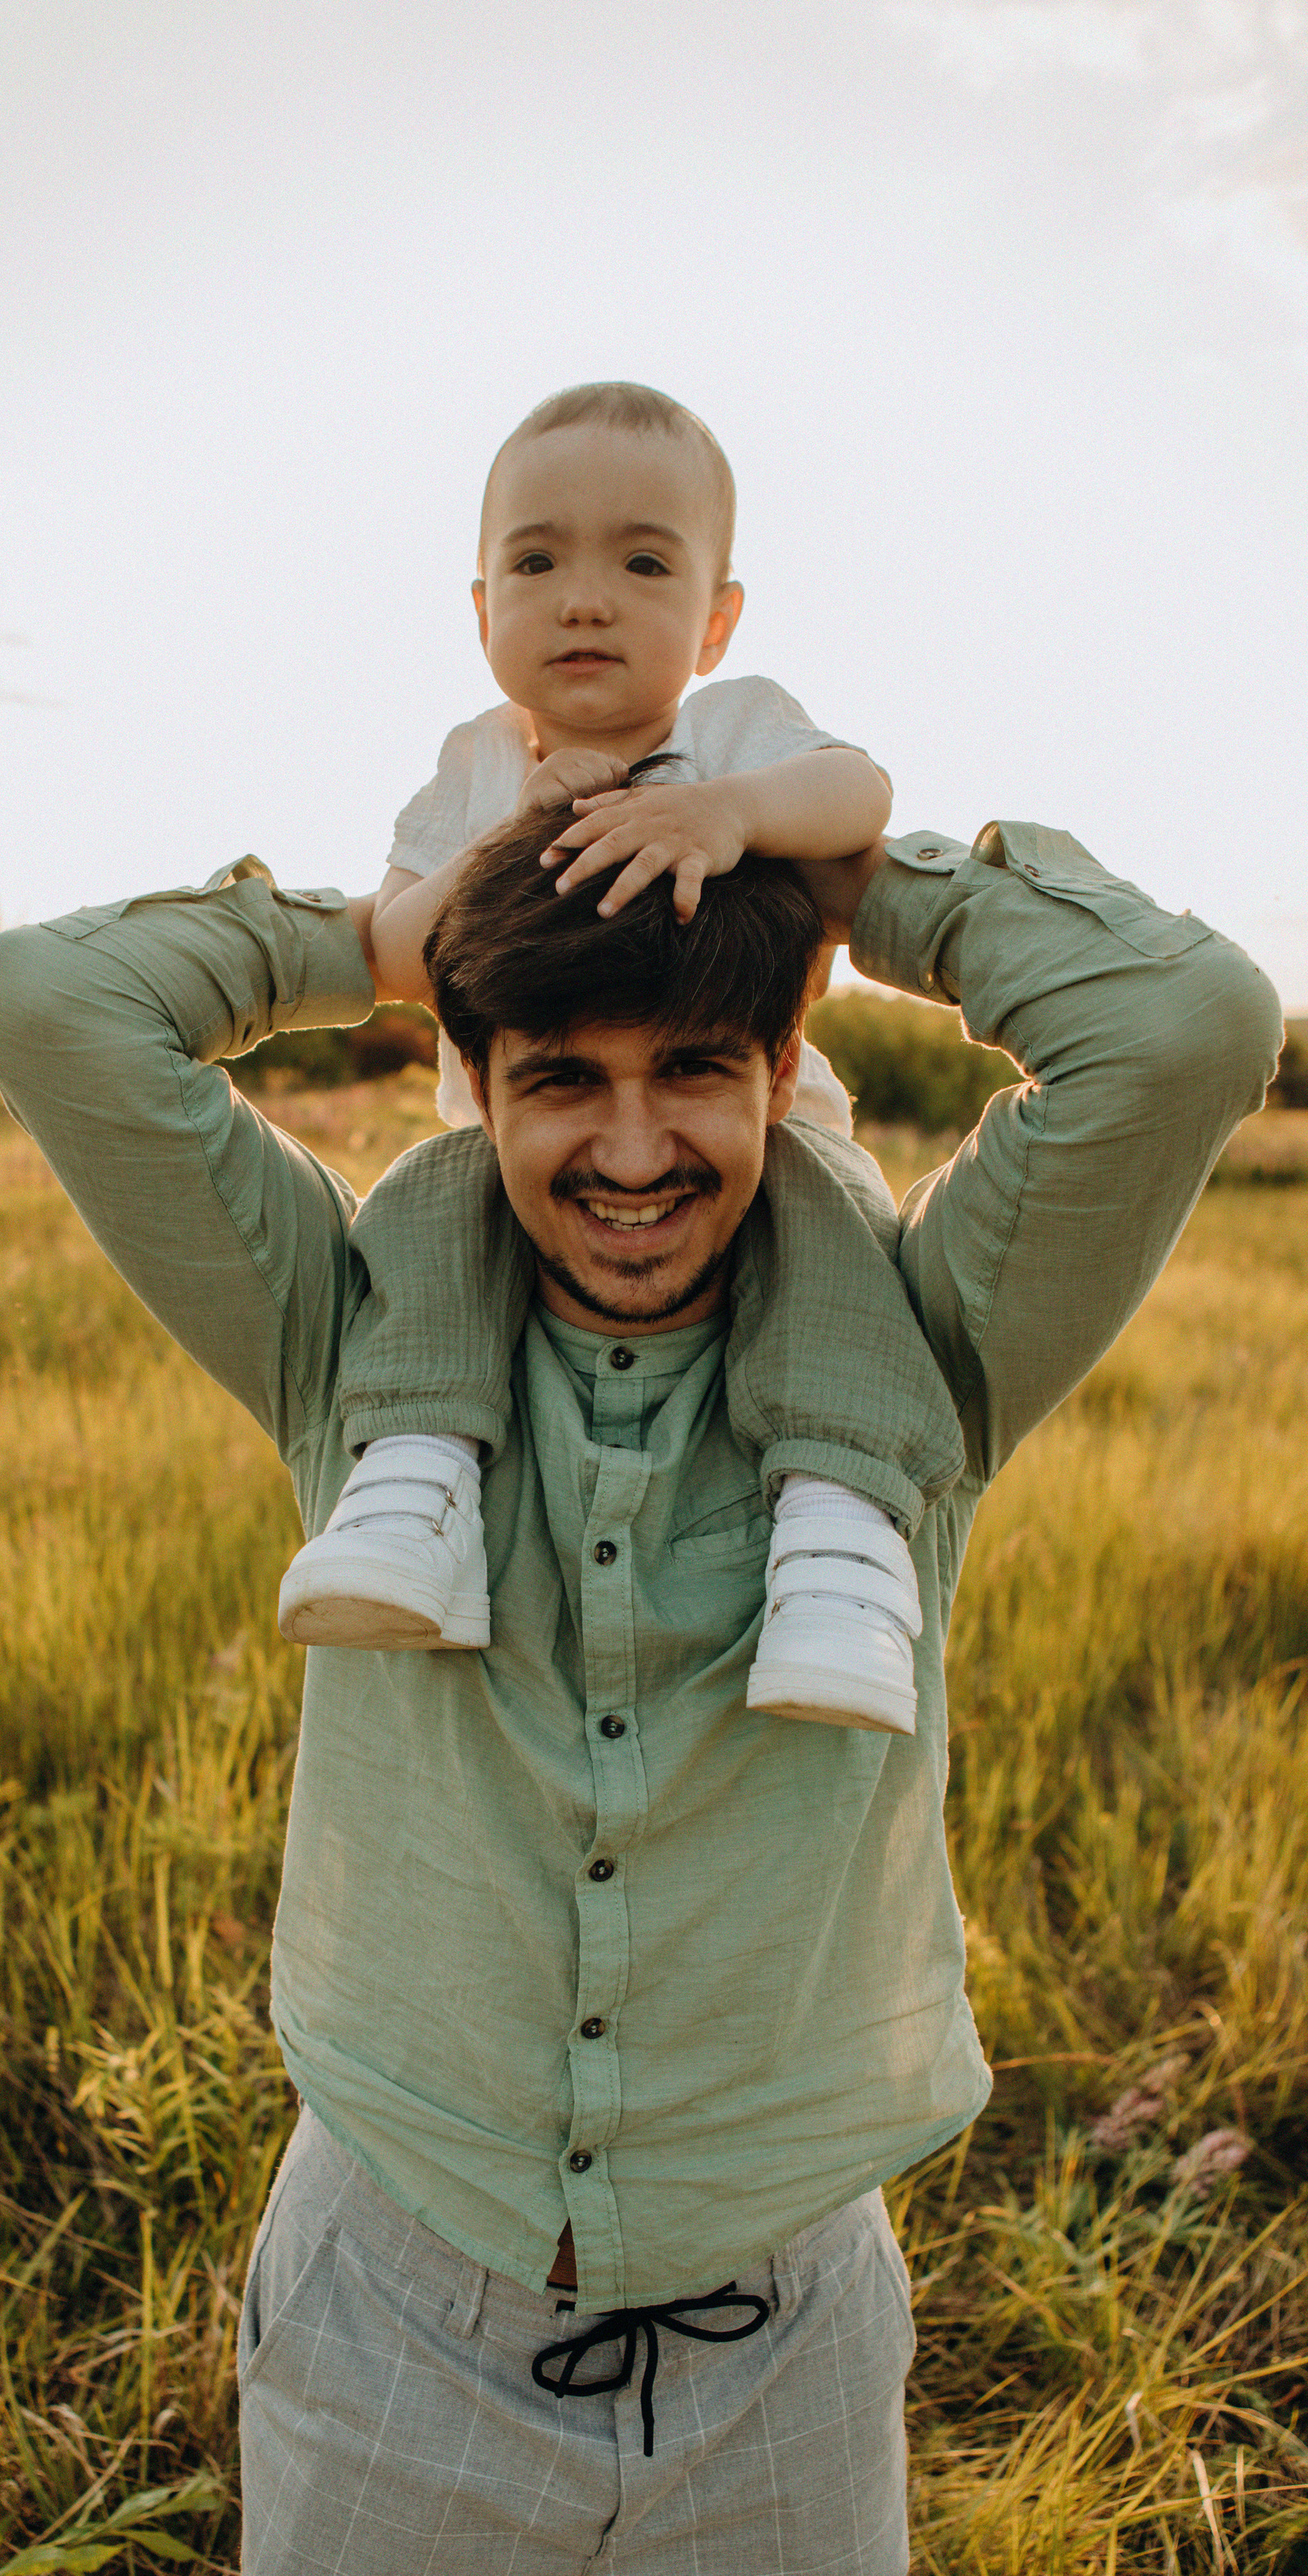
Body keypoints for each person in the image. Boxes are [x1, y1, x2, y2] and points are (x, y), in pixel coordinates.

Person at [0, 800, 1281, 2576]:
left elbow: (1187, 1026)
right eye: (562, 1076)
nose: (636, 1148)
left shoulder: (935, 1356)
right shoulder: (344, 1348)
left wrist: (831, 880)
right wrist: (402, 933)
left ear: (781, 1074)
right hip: (394, 2309)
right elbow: (55, 1000)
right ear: (474, 1080)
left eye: (700, 1071)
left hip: (783, 2357)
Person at [277, 382, 966, 1736]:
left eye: (642, 562)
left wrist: (731, 812)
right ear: (481, 611)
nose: (584, 600)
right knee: (427, 1224)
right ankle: (414, 1485)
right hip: (520, 1149)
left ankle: (836, 1539)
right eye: (538, 562)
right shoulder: (475, 768)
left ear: (716, 619)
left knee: (834, 1257)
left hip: (764, 1144)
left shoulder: (734, 732)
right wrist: (502, 847)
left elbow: (861, 798)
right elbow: (401, 944)